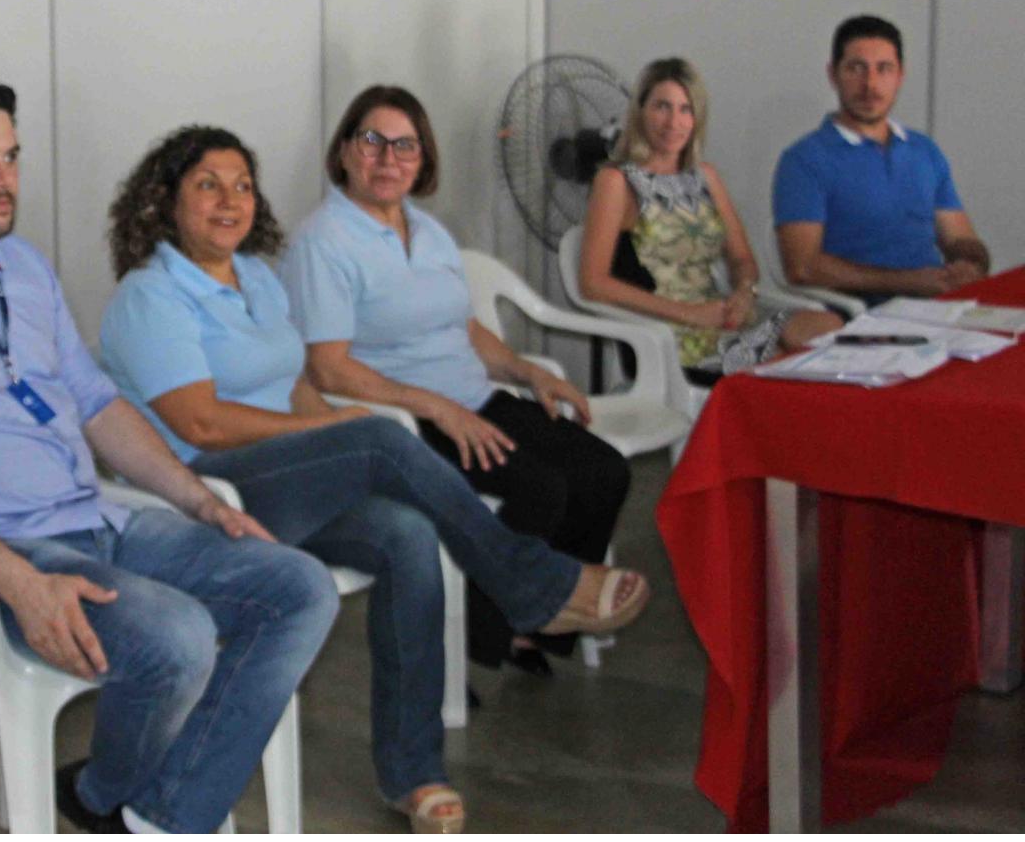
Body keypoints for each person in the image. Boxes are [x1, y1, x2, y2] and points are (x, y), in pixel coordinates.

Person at [0, 76, 339, 835]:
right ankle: (124, 804)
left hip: (90, 520)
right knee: (179, 636)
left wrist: (199, 500)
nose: (5, 178)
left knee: (299, 585)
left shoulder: (22, 267)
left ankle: (146, 811)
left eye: (13, 156)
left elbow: (98, 406)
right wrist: (22, 582)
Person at [100, 125, 651, 834]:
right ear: (164, 202)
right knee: (375, 435)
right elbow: (200, 423)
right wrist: (328, 434)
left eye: (241, 184)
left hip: (281, 480)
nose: (229, 200)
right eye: (207, 184)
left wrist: (322, 427)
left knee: (408, 534)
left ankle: (413, 771)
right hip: (205, 492)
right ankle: (532, 584)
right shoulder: (150, 297)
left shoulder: (257, 279)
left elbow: (296, 385)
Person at [281, 85, 638, 677]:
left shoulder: (428, 230)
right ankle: (485, 631)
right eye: (372, 141)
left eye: (406, 146)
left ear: (423, 161)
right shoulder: (324, 242)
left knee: (604, 472)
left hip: (476, 397)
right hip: (404, 422)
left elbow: (465, 327)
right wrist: (436, 408)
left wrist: (527, 373)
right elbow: (327, 367)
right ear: (344, 151)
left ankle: (536, 623)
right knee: (540, 488)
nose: (388, 158)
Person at [579, 58, 842, 379]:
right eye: (662, 106)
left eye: (685, 109)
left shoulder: (705, 176)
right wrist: (689, 314)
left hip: (725, 320)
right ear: (641, 111)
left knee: (827, 328)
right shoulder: (616, 181)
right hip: (669, 337)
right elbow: (593, 284)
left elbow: (743, 260)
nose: (673, 121)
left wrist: (745, 293)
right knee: (795, 369)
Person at [773, 15, 991, 307]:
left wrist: (970, 263)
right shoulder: (803, 161)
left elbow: (959, 238)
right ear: (833, 74)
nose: (870, 84)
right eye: (856, 68)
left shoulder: (924, 150)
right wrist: (911, 282)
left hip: (941, 305)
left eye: (884, 69)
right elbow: (803, 268)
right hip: (861, 318)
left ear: (900, 75)